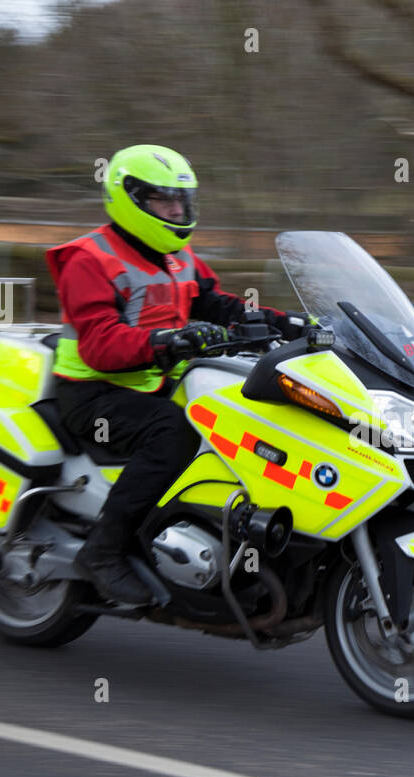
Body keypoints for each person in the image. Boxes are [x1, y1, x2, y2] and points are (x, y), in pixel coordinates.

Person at [46, 144, 306, 605]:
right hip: (94, 394)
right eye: (165, 201)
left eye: (183, 201)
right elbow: (100, 344)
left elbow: (220, 305)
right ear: (130, 199)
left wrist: (286, 322)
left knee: (244, 417)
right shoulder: (91, 259)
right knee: (173, 434)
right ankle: (103, 552)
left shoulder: (178, 257)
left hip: (158, 383)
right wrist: (168, 343)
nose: (177, 210)